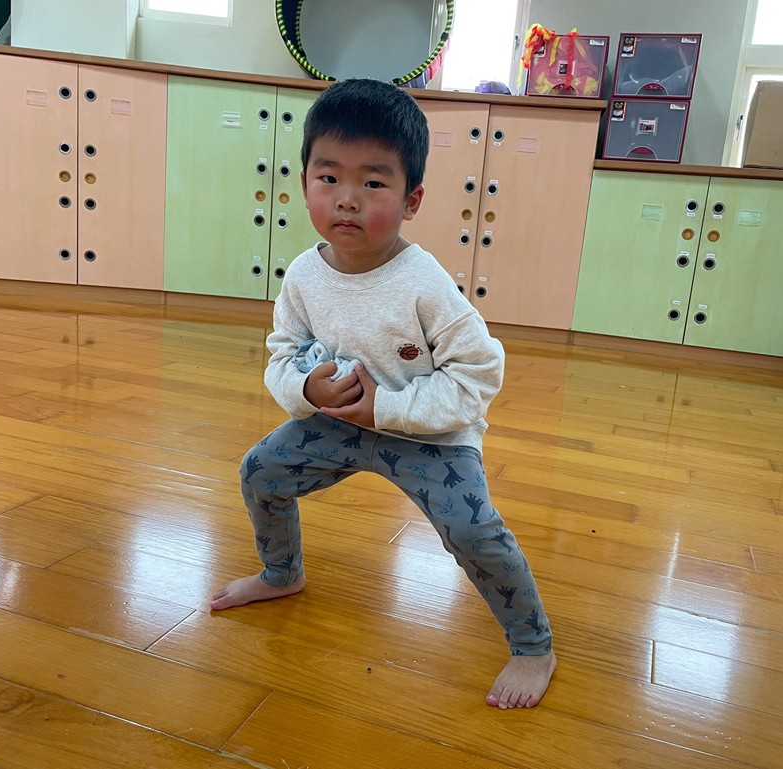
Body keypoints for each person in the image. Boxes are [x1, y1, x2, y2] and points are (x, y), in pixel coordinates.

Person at [210, 79, 556, 709]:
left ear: (410, 199)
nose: (347, 199)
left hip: (430, 435)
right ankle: (282, 574)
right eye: (328, 178)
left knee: (473, 531)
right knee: (261, 472)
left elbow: (479, 374)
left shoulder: (424, 283)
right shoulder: (304, 275)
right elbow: (282, 354)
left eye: (373, 183)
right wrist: (305, 388)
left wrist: (388, 408)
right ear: (304, 182)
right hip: (339, 421)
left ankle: (533, 645)